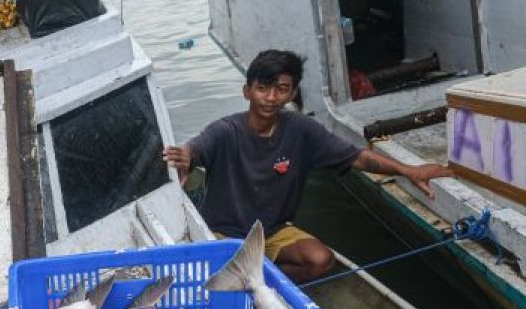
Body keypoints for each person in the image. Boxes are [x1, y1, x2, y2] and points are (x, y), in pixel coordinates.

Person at [162, 50, 453, 283]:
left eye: (281, 89)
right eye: (262, 89)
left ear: (292, 93)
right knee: (214, 270)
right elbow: (195, 147)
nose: (271, 97)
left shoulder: (301, 129)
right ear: (246, 91)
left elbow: (357, 157)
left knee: (321, 260)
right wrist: (185, 156)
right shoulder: (226, 130)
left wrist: (408, 170)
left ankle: (252, 283)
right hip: (223, 234)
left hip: (271, 232)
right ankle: (241, 278)